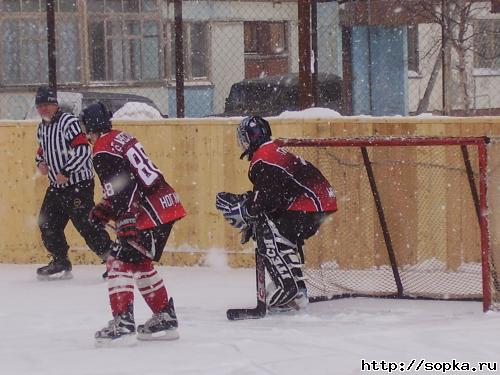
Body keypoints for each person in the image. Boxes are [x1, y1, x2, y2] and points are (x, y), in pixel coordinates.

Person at [79, 102, 186, 345]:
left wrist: (125, 220)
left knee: (118, 260)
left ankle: (123, 323)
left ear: (92, 126)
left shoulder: (102, 149)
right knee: (139, 263)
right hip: (164, 204)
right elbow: (128, 182)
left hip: (149, 212)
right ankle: (164, 317)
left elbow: (125, 186)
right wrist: (105, 210)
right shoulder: (119, 137)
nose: (86, 134)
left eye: (86, 127)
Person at [216, 116, 337, 312]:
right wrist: (250, 204)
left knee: (266, 230)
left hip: (310, 204)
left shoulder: (262, 158)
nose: (244, 143)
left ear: (251, 137)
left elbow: (268, 199)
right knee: (281, 235)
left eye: (245, 138)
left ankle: (288, 288)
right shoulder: (272, 150)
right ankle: (297, 291)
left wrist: (247, 210)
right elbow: (274, 192)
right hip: (321, 202)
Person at [34, 85, 112, 280]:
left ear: (55, 105)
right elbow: (41, 151)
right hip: (57, 186)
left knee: (85, 224)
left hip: (78, 184)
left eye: (47, 105)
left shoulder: (68, 122)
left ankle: (113, 259)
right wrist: (40, 164)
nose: (43, 109)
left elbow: (83, 150)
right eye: (40, 105)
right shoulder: (42, 127)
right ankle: (60, 260)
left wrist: (67, 170)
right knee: (47, 222)